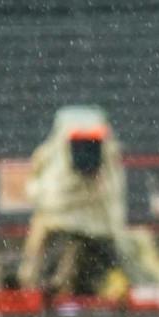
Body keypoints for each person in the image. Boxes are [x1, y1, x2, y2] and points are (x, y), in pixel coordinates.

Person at [18, 104, 128, 300]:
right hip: (62, 231)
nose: (85, 152)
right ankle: (46, 282)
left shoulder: (109, 161)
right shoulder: (50, 158)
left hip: (98, 233)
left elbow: (114, 199)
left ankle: (61, 282)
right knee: (58, 247)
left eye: (92, 144)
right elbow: (41, 194)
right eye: (79, 144)